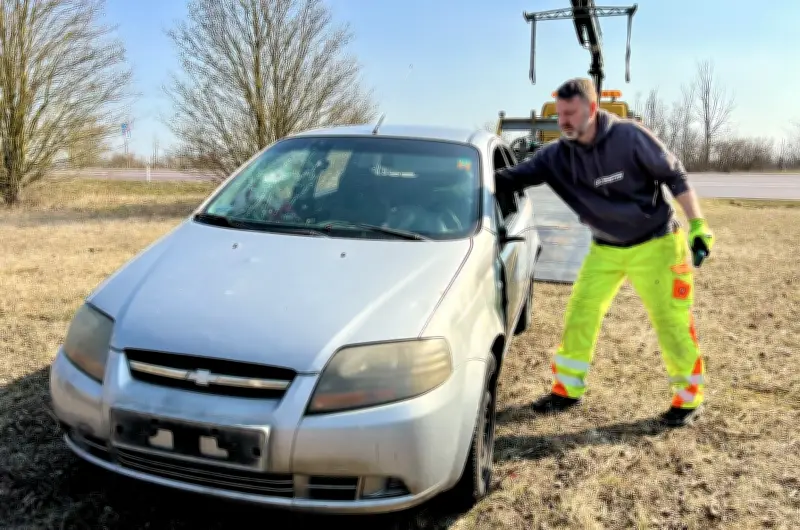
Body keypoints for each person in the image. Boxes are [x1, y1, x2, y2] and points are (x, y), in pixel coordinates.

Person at [495, 77, 715, 427]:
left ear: (593, 109)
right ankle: (566, 390)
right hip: (605, 248)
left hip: (657, 243)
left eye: (571, 113)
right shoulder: (555, 156)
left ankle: (688, 400)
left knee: (671, 321)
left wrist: (699, 224)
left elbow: (675, 176)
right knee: (581, 312)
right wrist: (463, 177)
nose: (563, 121)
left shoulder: (630, 137)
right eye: (560, 114)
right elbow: (509, 178)